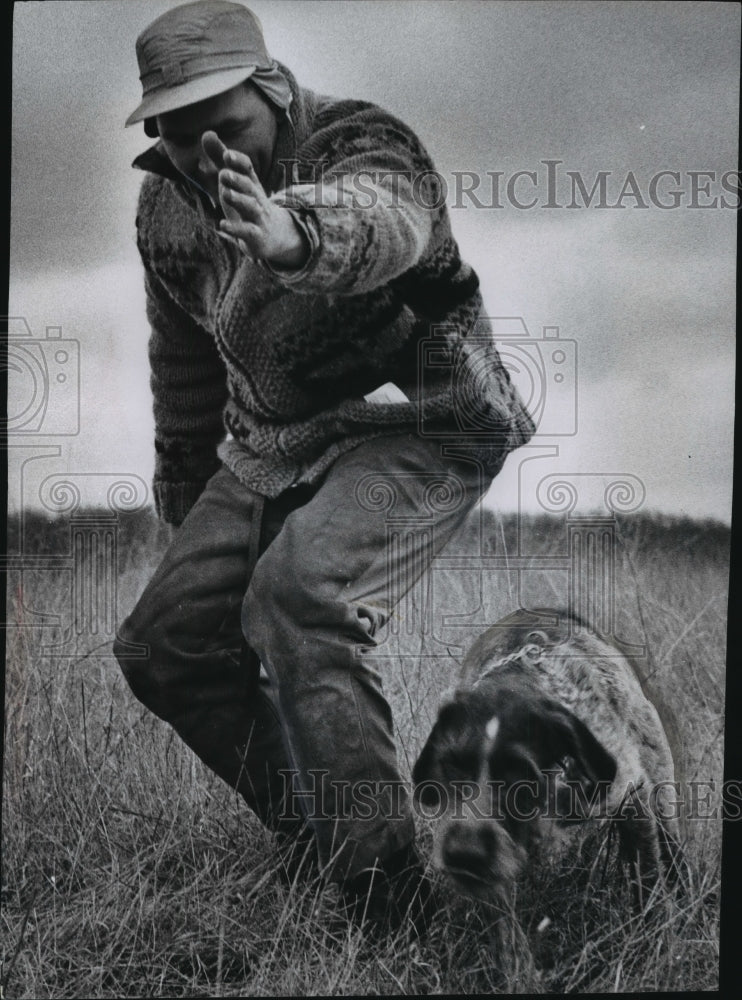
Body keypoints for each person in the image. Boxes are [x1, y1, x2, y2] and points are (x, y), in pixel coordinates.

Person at [115, 0, 534, 936]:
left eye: (225, 127)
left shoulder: (362, 139)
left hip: (426, 420)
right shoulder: (165, 211)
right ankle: (322, 838)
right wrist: (184, 501)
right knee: (163, 644)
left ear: (272, 88)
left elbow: (388, 218)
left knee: (301, 597)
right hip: (277, 438)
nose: (203, 156)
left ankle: (386, 898)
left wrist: (293, 233)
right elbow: (183, 363)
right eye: (176, 134)